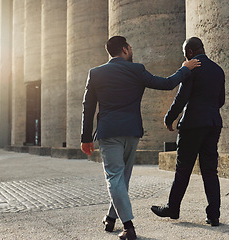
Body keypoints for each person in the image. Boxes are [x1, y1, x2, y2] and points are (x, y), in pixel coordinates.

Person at [80, 36, 200, 240]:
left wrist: (85, 138)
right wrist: (185, 68)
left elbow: (88, 106)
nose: (132, 50)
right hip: (132, 132)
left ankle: (128, 226)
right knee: (121, 178)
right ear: (125, 49)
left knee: (115, 178)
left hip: (109, 133)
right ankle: (110, 218)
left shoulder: (96, 73)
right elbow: (167, 83)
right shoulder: (137, 70)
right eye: (130, 47)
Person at [151, 37, 225, 227]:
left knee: (183, 168)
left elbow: (181, 97)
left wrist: (169, 118)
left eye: (185, 53)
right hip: (213, 123)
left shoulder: (191, 68)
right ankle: (214, 215)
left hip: (192, 125)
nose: (184, 57)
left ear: (190, 52)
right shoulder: (218, 70)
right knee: (210, 170)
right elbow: (221, 100)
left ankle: (173, 208)